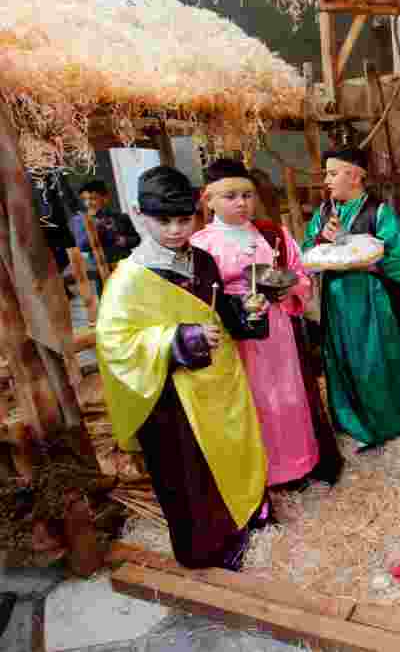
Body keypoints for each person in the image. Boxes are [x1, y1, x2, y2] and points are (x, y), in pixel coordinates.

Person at [95, 166, 273, 570]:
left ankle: (248, 516)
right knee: (191, 474)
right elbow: (115, 344)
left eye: (184, 219)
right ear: (139, 214)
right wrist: (182, 338)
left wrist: (249, 312)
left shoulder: (203, 260)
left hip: (221, 381)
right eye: (164, 221)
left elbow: (218, 312)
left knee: (235, 449)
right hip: (172, 398)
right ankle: (211, 547)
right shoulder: (130, 279)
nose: (176, 230)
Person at [191, 159, 342, 490]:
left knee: (288, 396)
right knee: (255, 401)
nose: (241, 203)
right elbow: (199, 299)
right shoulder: (201, 245)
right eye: (230, 196)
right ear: (209, 199)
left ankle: (298, 464)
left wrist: (290, 290)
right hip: (237, 336)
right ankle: (264, 473)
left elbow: (299, 273)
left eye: (247, 195)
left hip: (278, 330)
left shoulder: (273, 234)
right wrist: (235, 307)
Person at [302, 145, 400, 451]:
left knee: (372, 357)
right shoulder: (324, 212)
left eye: (333, 173)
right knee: (340, 356)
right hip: (335, 299)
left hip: (371, 300)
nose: (326, 180)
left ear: (355, 177)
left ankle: (384, 421)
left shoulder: (379, 212)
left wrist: (365, 258)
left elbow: (396, 260)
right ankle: (348, 418)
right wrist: (322, 238)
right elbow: (307, 250)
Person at [71, 179, 141, 266]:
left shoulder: (120, 217)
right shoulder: (80, 220)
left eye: (92, 198)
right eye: (84, 199)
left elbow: (136, 239)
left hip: (126, 264)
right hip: (101, 267)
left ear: (105, 198)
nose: (88, 203)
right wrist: (97, 226)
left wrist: (126, 240)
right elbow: (82, 246)